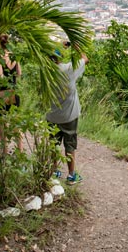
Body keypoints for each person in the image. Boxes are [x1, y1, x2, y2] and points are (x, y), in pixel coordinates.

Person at [46, 43, 88, 185]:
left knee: (53, 144)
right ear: (60, 57)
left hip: (51, 115)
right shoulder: (69, 69)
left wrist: (59, 46)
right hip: (69, 115)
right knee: (70, 145)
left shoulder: (46, 72)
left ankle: (54, 171)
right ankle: (71, 175)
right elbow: (85, 58)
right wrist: (76, 46)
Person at [0, 33, 23, 154]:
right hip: (14, 92)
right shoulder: (14, 56)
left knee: (2, 124)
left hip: (2, 93)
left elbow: (0, 76)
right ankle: (20, 150)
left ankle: (5, 152)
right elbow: (19, 73)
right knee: (16, 123)